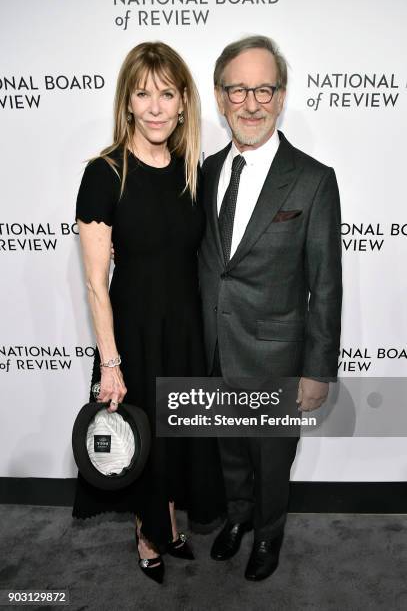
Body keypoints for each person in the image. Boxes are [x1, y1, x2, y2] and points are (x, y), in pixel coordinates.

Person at [73, 41, 225, 584]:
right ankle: (146, 533)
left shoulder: (194, 174)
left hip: (185, 328)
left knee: (178, 438)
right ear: (128, 103)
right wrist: (110, 363)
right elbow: (95, 283)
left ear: (184, 102)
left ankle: (168, 523)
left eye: (167, 93)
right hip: (133, 334)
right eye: (143, 94)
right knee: (144, 441)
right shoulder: (104, 174)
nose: (156, 106)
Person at [199, 35, 342, 581]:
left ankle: (269, 534)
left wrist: (317, 370)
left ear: (281, 97)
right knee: (228, 451)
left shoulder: (312, 179)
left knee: (272, 461)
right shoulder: (205, 171)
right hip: (215, 347)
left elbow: (327, 285)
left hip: (279, 357)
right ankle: (237, 518)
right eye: (238, 90)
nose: (251, 103)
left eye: (263, 89)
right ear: (220, 96)